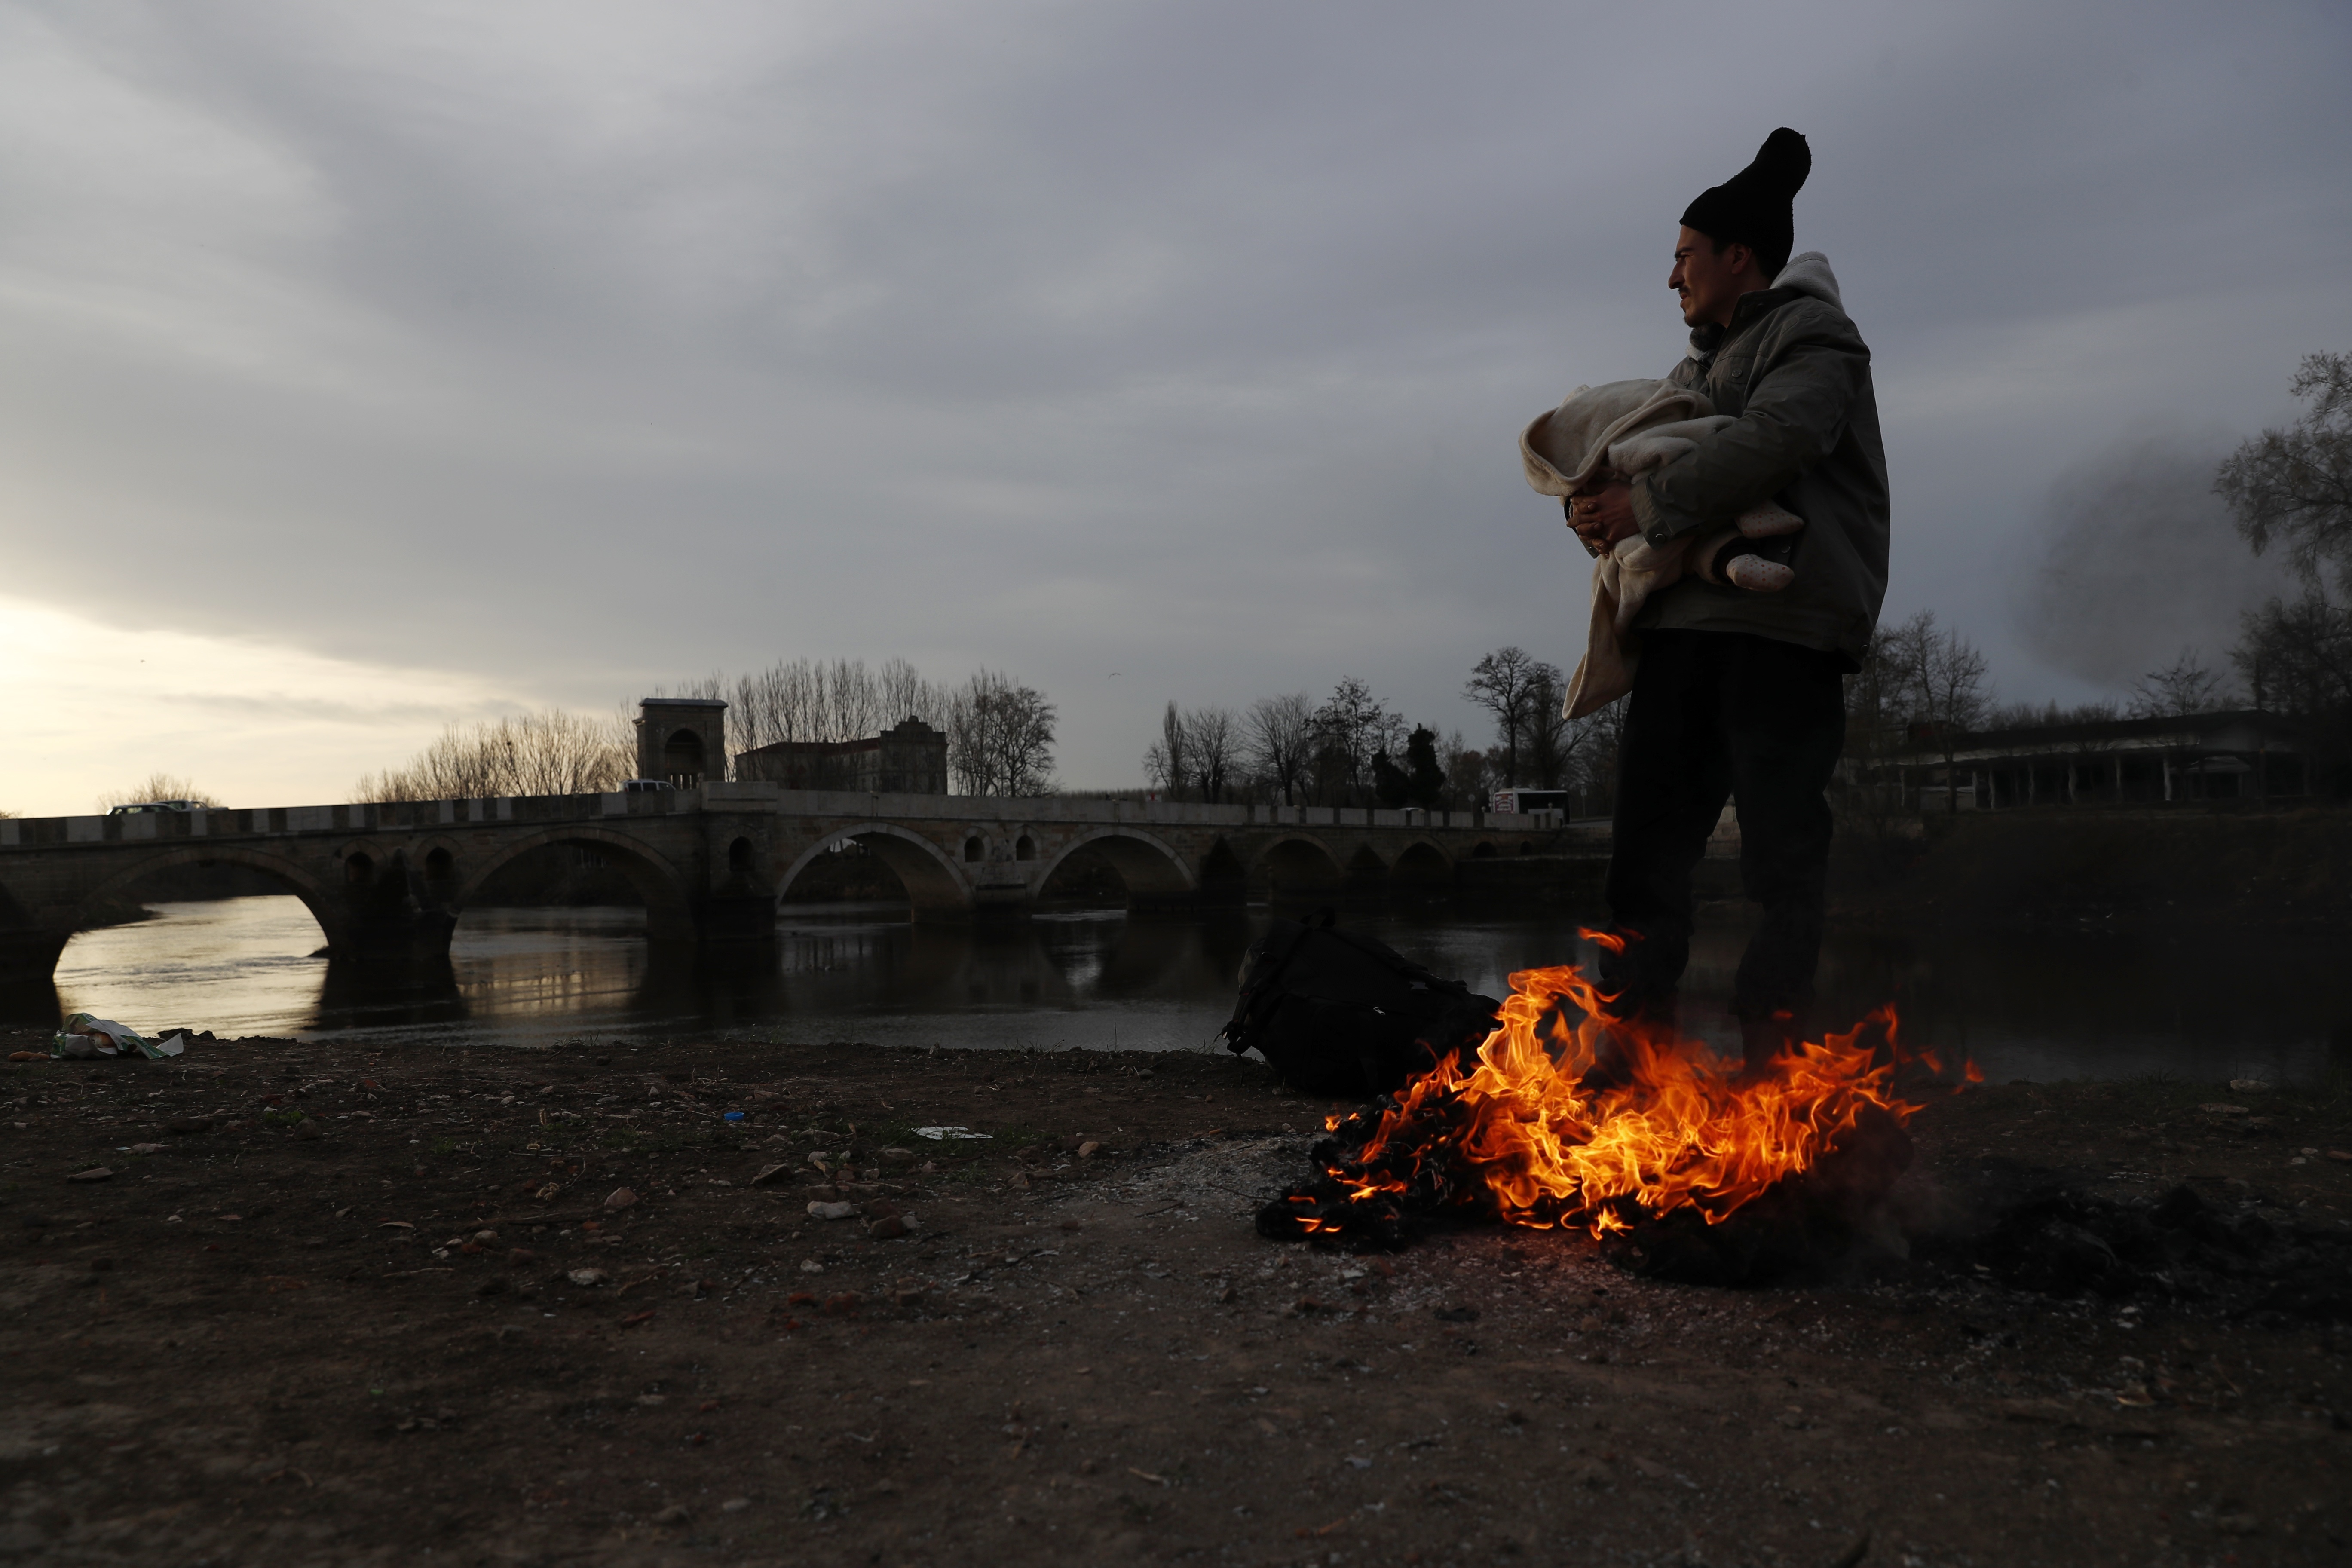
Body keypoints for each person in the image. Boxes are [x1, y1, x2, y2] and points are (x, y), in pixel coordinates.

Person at [1565, 127, 1890, 1070]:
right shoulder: (1691, 373)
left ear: (1736, 254)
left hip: (1783, 632)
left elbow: (1779, 439)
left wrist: (1650, 502)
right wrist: (1597, 513)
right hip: (1682, 632)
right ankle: (1629, 1058)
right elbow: (1631, 462)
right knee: (1646, 856)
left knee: (1781, 858)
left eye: (1683, 258)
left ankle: (1778, 1070)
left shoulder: (1816, 336)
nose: (1672, 279)